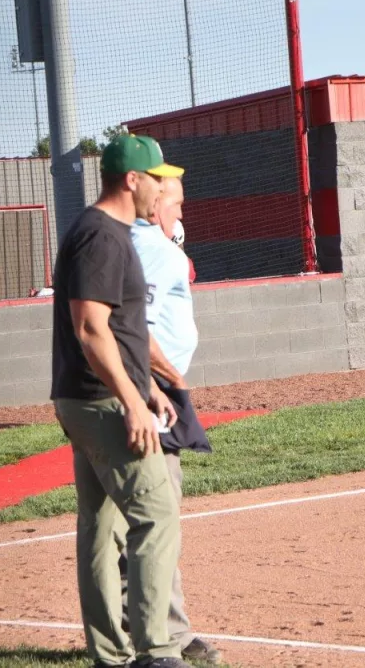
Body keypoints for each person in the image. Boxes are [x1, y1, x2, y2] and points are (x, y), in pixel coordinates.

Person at [50, 134, 189, 668]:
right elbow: (91, 329)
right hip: (103, 402)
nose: (162, 188)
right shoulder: (102, 236)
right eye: (156, 178)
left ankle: (111, 655)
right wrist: (132, 401)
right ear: (132, 180)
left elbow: (120, 327)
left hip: (91, 397)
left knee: (101, 526)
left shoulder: (104, 231)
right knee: (156, 515)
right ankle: (158, 650)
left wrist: (148, 384)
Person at [125, 176, 219, 665]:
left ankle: (156, 632)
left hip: (147, 394)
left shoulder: (131, 243)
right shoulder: (153, 249)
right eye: (177, 204)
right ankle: (162, 637)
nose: (181, 213)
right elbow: (133, 331)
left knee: (142, 524)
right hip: (148, 399)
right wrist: (166, 383)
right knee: (154, 524)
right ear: (156, 203)